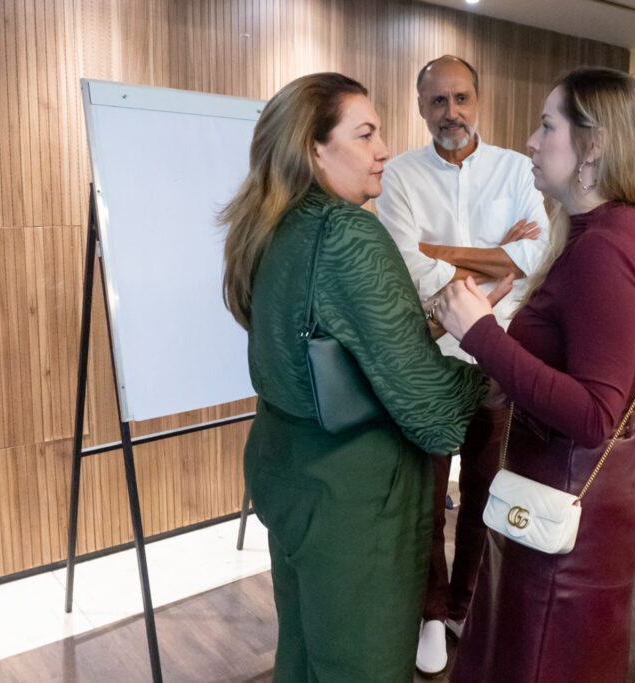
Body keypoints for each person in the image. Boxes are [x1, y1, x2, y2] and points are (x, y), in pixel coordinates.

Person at [219, 72, 490, 682]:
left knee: (305, 652)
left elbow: (324, 341)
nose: (383, 149)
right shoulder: (346, 230)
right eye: (365, 134)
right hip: (351, 492)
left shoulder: (270, 225)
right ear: (314, 148)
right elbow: (431, 410)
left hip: (284, 467)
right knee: (359, 665)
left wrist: (416, 326)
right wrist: (494, 374)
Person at [436, 66, 635, 683]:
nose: (531, 142)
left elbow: (595, 414)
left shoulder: (604, 251)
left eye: (546, 126)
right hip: (560, 496)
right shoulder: (602, 235)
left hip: (568, 504)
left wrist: (479, 333)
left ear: (592, 147)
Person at [375, 55, 549, 676]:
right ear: (421, 108)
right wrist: (492, 262)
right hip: (425, 356)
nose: (451, 112)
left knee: (483, 487)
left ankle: (464, 603)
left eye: (461, 98)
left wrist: (442, 254)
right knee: (425, 495)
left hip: (498, 355)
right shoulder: (397, 174)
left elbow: (535, 251)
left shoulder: (516, 169)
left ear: (479, 100)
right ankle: (429, 610)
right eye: (438, 101)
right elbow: (403, 261)